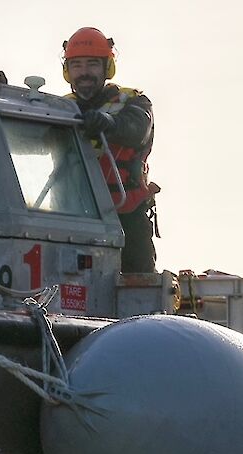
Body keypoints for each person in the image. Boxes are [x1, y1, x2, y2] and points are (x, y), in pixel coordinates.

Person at [62, 27, 160, 273]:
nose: (84, 73)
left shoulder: (134, 102)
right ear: (67, 71)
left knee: (137, 286)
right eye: (77, 65)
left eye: (92, 64)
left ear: (107, 68)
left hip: (127, 217)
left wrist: (109, 123)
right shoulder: (58, 107)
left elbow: (138, 129)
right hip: (73, 217)